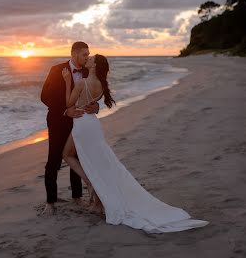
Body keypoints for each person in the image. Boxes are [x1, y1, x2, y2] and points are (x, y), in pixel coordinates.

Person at [61, 53, 210, 233]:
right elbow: (92, 102)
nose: (88, 59)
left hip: (83, 124)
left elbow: (69, 103)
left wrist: (67, 80)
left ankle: (93, 184)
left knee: (70, 156)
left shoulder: (81, 83)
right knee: (98, 162)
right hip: (93, 124)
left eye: (91, 58)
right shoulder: (101, 85)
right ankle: (97, 191)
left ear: (94, 66)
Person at [40, 41, 100, 215]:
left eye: (88, 54)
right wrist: (66, 111)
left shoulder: (88, 71)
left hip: (80, 121)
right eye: (84, 54)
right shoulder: (56, 70)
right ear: (74, 54)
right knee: (54, 160)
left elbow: (93, 97)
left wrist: (95, 107)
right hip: (59, 121)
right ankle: (50, 202)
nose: (87, 57)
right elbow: (44, 97)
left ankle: (76, 197)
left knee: (77, 157)